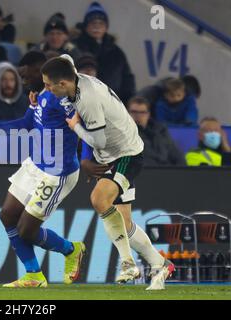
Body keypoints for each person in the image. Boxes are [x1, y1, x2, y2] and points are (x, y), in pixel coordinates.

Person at [41, 56, 174, 290]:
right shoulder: (72, 78)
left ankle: (127, 263)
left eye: (48, 85)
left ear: (63, 84)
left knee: (99, 199)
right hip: (111, 155)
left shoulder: (88, 100)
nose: (46, 89)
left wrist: (76, 127)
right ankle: (160, 264)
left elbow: (98, 140)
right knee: (124, 222)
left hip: (126, 154)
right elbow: (66, 59)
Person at [0, 51, 85, 288]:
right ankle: (33, 275)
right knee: (6, 215)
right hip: (35, 165)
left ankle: (71, 250)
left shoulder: (63, 99)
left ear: (39, 69)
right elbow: (26, 124)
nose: (21, 77)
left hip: (56, 173)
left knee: (26, 231)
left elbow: (82, 125)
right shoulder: (41, 95)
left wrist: (92, 157)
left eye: (25, 72)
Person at [73, 1, 135, 104]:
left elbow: (127, 79)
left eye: (101, 23)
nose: (97, 27)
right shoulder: (74, 47)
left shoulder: (117, 52)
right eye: (93, 23)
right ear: (85, 26)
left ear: (106, 27)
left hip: (111, 105)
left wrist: (127, 102)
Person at [128, 96, 185, 166]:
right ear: (128, 113)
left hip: (166, 172)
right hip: (145, 172)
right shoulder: (125, 134)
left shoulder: (161, 131)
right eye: (134, 112)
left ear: (148, 114)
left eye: (142, 112)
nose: (138, 116)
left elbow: (175, 154)